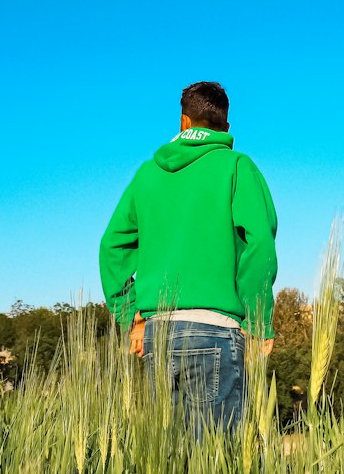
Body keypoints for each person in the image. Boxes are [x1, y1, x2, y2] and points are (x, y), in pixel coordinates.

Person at [98, 80, 278, 431]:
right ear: (226, 127)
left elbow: (112, 247)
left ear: (183, 122)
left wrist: (130, 317)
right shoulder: (237, 167)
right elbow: (259, 245)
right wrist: (259, 321)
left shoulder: (146, 174)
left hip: (157, 335)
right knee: (214, 468)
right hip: (216, 332)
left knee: (167, 467)